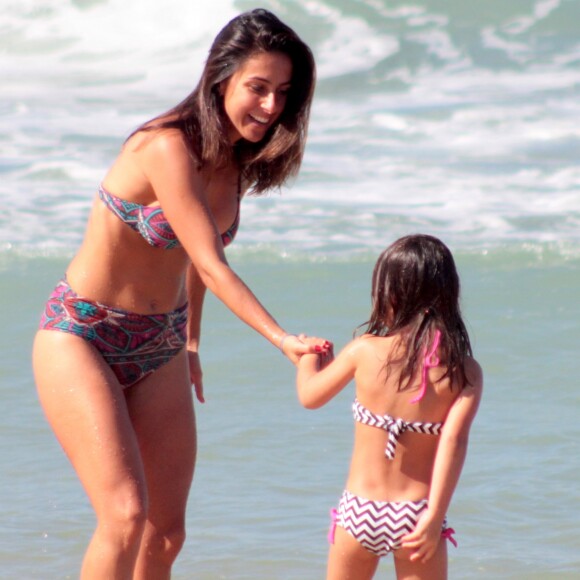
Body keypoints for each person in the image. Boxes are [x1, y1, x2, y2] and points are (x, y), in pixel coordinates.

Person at [32, 9, 328, 579]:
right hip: (81, 333)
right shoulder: (165, 147)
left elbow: (194, 255)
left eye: (284, 93)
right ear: (220, 79)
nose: (270, 107)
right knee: (124, 516)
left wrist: (189, 341)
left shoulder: (235, 161)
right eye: (258, 88)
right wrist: (283, 340)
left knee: (165, 534)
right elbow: (214, 265)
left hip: (159, 343)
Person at [295, 234, 483, 580]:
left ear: (390, 294)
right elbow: (453, 444)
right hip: (416, 514)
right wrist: (432, 517)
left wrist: (308, 356)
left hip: (360, 511)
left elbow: (310, 396)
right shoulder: (464, 371)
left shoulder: (363, 350)